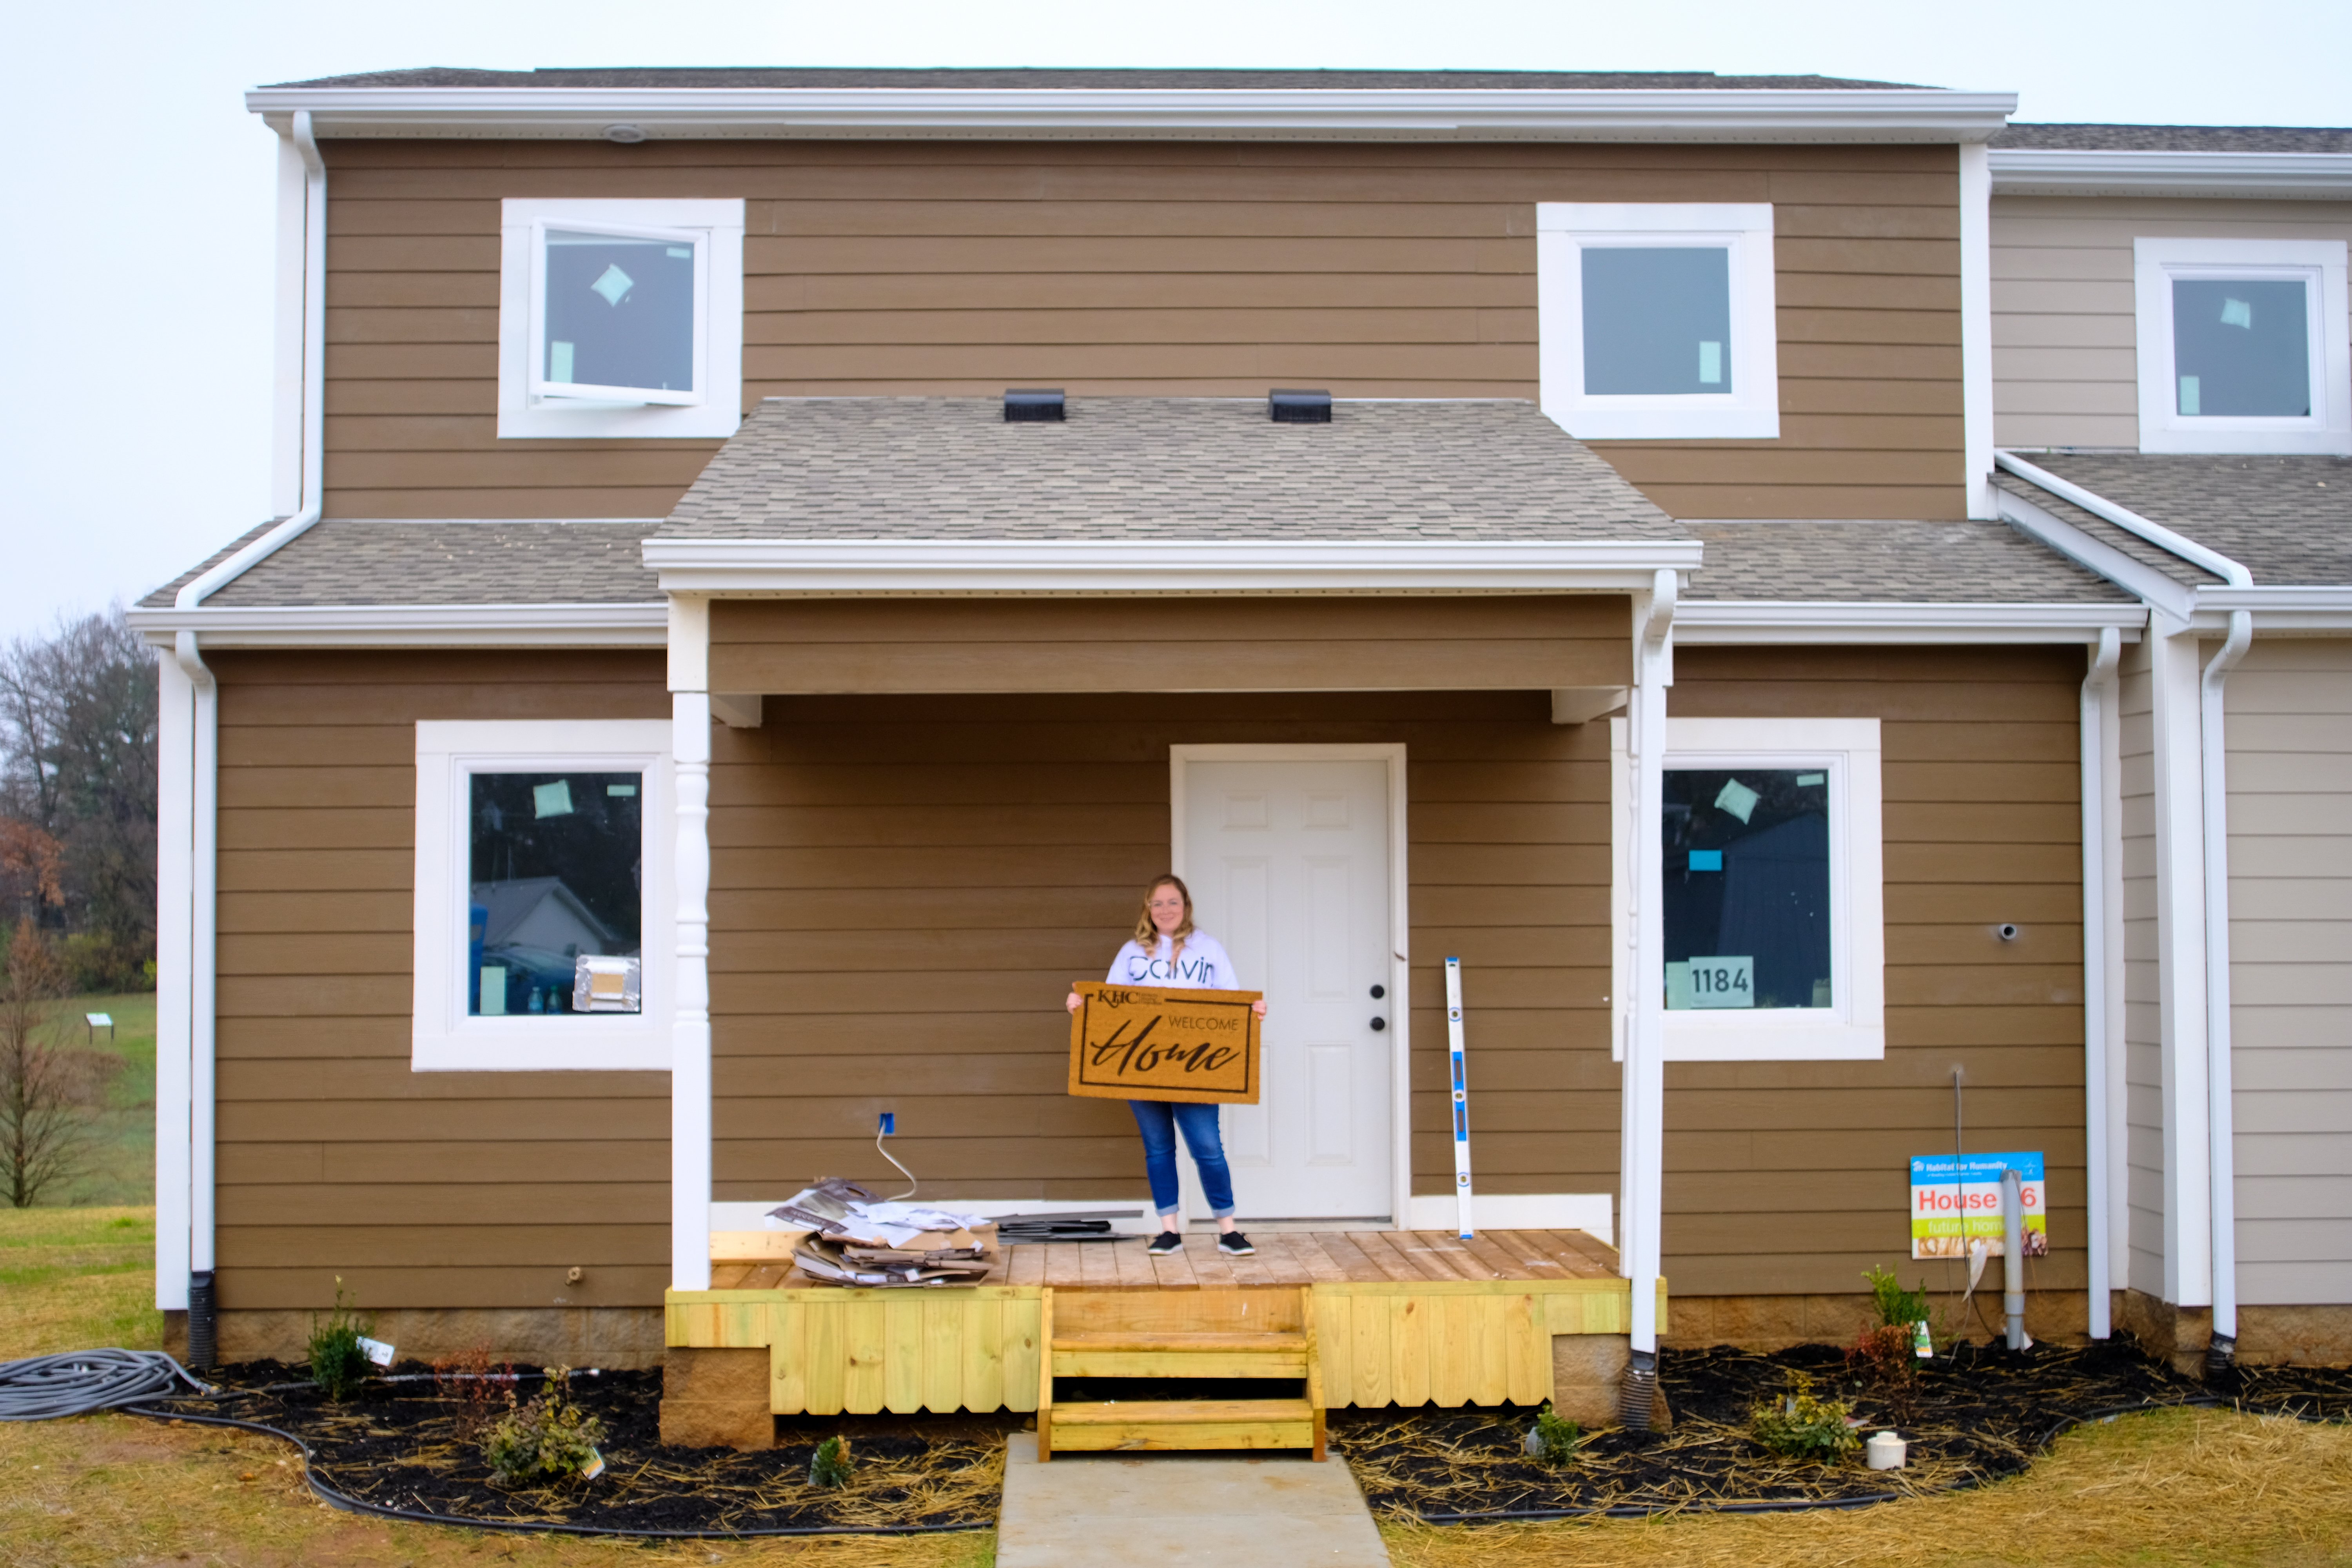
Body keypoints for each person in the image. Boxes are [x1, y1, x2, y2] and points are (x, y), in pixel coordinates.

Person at [1068, 874, 1265, 1257]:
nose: (1165, 910)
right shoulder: (1132, 952)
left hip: (1195, 1067)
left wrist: (1254, 1010)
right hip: (1140, 1067)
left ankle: (1228, 1229)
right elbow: (1109, 1002)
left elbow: (1232, 1001)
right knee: (1158, 1149)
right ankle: (1169, 1230)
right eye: (1157, 904)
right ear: (1148, 909)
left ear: (1185, 906)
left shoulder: (1208, 949)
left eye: (1172, 902)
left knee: (1208, 1148)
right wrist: (1080, 1005)